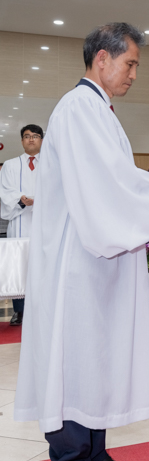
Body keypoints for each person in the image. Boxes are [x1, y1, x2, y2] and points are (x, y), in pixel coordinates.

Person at [14, 22, 149, 461]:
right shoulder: (80, 107)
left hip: (95, 259)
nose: (134, 74)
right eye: (130, 64)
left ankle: (94, 453)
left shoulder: (97, 109)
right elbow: (111, 183)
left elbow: (117, 180)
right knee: (76, 356)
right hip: (76, 263)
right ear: (102, 58)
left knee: (95, 355)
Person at [0, 125, 43, 325]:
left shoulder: (52, 164)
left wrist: (40, 200)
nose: (31, 139)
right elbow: (5, 192)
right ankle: (19, 311)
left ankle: (43, 309)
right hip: (19, 221)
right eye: (27, 136)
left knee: (43, 265)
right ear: (21, 141)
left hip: (44, 222)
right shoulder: (10, 165)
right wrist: (21, 199)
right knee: (19, 266)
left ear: (42, 140)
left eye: (35, 136)